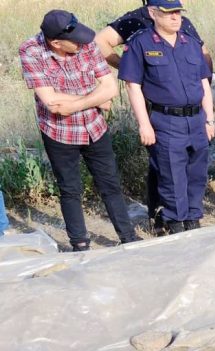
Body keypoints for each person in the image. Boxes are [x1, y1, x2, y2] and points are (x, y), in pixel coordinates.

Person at [20, 10, 140, 251]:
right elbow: (51, 102)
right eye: (74, 41)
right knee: (70, 188)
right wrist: (95, 99)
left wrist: (76, 104)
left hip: (94, 127)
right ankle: (80, 243)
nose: (81, 44)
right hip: (58, 131)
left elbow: (110, 90)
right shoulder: (31, 51)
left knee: (110, 184)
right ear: (55, 42)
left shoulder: (85, 43)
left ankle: (128, 237)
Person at [95, 0, 210, 236]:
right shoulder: (141, 42)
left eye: (178, 13)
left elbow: (203, 81)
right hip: (166, 119)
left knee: (196, 173)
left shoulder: (189, 42)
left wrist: (210, 119)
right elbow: (132, 86)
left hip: (196, 119)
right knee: (171, 175)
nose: (175, 18)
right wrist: (144, 124)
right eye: (169, 13)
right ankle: (176, 224)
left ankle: (193, 219)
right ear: (152, 13)